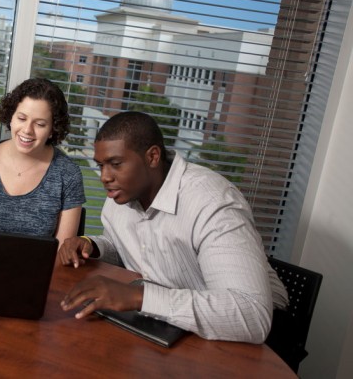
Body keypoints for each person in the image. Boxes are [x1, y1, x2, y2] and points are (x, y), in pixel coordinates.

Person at [58, 111, 288, 344]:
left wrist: (139, 297)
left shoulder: (212, 203)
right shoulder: (121, 195)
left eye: (115, 164)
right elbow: (125, 245)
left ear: (153, 157)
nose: (105, 177)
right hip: (174, 323)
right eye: (101, 166)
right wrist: (93, 245)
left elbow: (251, 316)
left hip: (250, 339)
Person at [0, 78, 85, 243]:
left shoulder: (68, 174)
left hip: (43, 268)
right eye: (21, 118)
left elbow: (62, 251)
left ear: (52, 129)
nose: (27, 130)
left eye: (40, 124)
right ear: (10, 117)